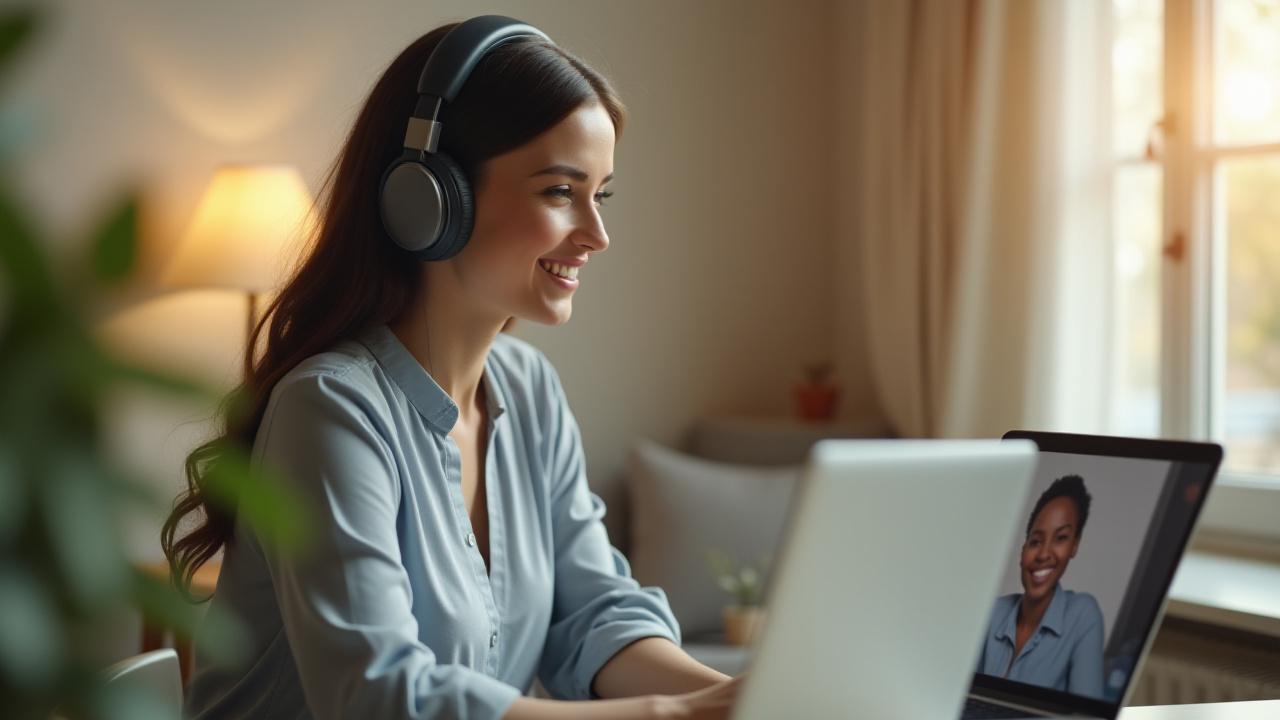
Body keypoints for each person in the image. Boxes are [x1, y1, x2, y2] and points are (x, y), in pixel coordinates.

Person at [162, 16, 740, 720]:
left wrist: (735, 696)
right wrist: (671, 715)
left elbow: (594, 615)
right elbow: (380, 696)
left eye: (602, 194)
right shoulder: (330, 409)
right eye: (561, 193)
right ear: (430, 200)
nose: (597, 234)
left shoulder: (530, 390)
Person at [976, 474, 1106, 698]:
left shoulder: (1083, 615)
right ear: (1023, 551)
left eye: (1061, 538)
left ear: (1074, 546)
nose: (1044, 554)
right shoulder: (993, 612)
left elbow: (1086, 712)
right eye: (1036, 542)